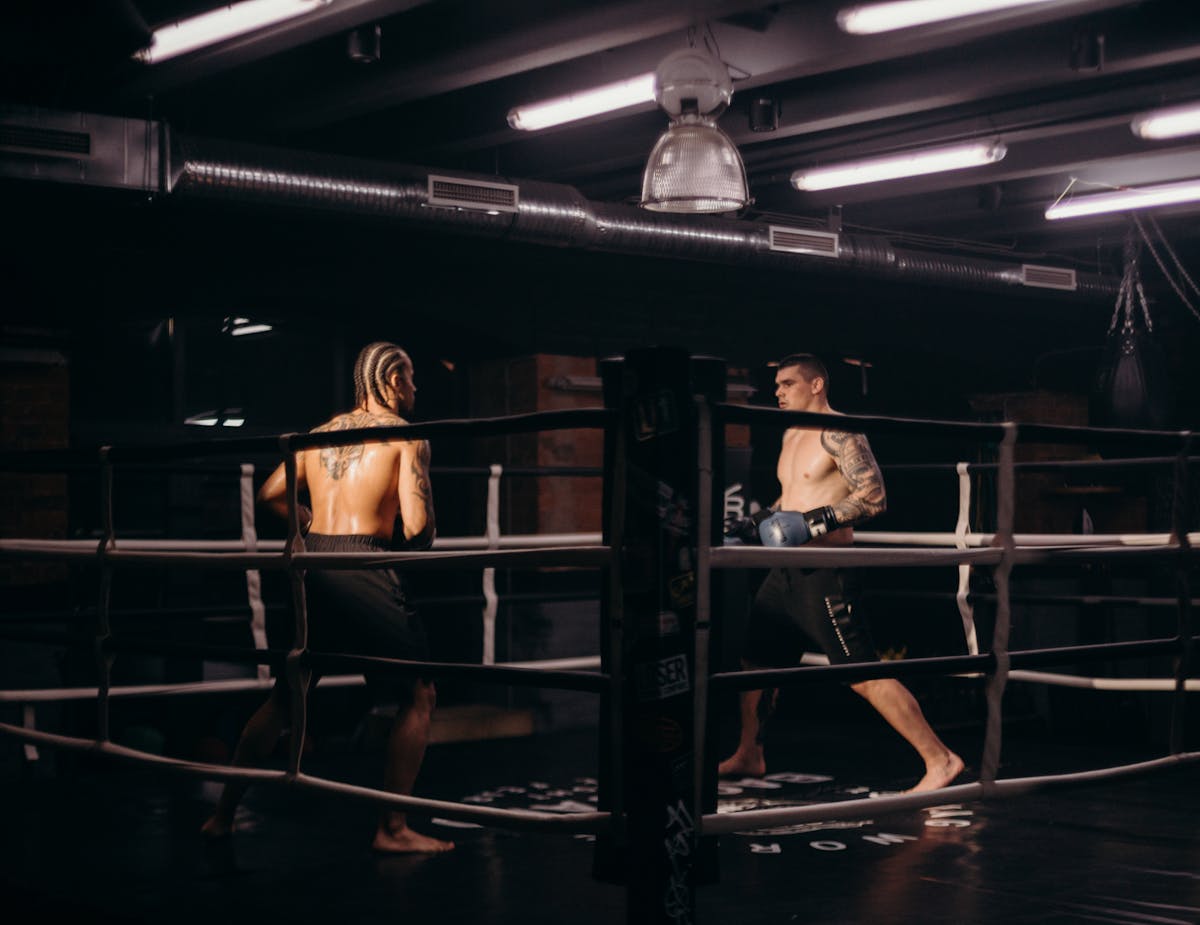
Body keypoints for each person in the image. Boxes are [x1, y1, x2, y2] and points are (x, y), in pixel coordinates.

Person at [202, 341, 453, 853]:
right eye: (408, 377)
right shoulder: (405, 437)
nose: (415, 388)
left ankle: (222, 816)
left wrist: (315, 522)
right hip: (364, 563)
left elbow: (271, 494)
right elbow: (421, 530)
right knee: (418, 694)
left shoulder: (318, 436)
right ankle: (393, 830)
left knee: (289, 692)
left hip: (313, 561)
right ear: (389, 381)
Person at [720, 353, 963, 793]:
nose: (778, 392)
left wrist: (813, 523)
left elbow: (873, 496)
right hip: (786, 571)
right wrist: (759, 520)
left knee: (861, 673)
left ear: (816, 386)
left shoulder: (839, 430)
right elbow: (792, 496)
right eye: (776, 385)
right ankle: (750, 754)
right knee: (755, 662)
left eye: (788, 383)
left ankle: (940, 759)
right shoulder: (793, 433)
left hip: (826, 572)